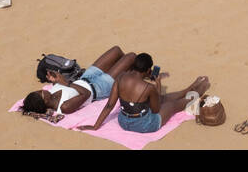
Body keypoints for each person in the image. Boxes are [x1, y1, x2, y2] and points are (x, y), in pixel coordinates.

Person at [78, 53, 210, 134]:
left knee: (163, 98)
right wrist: (157, 85)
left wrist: (95, 126)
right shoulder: (148, 87)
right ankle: (197, 92)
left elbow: (109, 105)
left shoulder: (120, 78)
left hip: (123, 121)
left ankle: (189, 89)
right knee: (171, 105)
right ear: (148, 71)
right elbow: (156, 109)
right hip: (144, 125)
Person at [22, 46, 138, 120]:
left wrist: (57, 79)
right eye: (41, 93)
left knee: (116, 51)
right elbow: (86, 94)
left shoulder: (51, 91)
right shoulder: (64, 107)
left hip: (86, 77)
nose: (43, 90)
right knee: (131, 56)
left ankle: (127, 72)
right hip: (99, 88)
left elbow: (68, 84)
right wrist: (66, 83)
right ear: (45, 101)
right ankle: (134, 73)